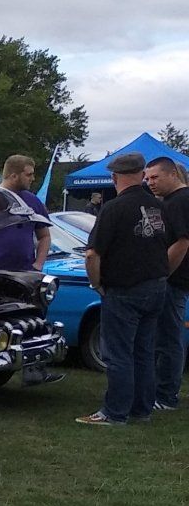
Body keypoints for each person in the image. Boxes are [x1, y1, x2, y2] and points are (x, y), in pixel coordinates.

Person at [78, 152, 172, 425]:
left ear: (114, 177)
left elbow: (92, 254)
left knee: (118, 353)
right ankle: (141, 409)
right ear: (142, 175)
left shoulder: (113, 208)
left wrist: (96, 283)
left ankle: (114, 412)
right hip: (156, 285)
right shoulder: (157, 206)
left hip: (124, 289)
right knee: (143, 352)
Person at [141, 157, 189, 410]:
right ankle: (163, 391)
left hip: (173, 279)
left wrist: (163, 274)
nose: (150, 183)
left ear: (173, 175)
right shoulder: (173, 201)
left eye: (155, 177)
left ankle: (166, 395)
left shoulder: (178, 202)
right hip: (175, 278)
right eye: (147, 178)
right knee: (165, 336)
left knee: (168, 338)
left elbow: (182, 242)